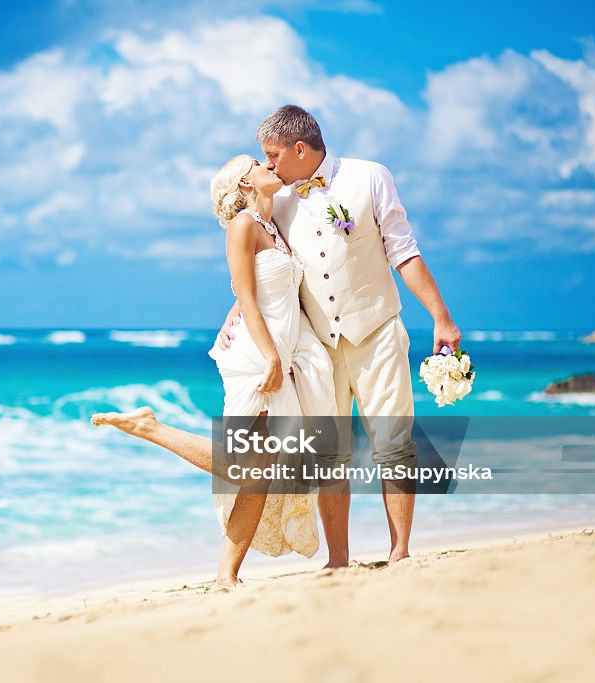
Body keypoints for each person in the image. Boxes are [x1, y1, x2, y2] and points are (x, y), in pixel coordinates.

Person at [93, 105, 461, 573]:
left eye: (271, 155)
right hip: (314, 349)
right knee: (321, 455)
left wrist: (441, 317)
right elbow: (257, 275)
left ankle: (400, 553)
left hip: (374, 331)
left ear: (299, 149)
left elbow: (403, 251)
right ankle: (337, 561)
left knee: (392, 442)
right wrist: (240, 316)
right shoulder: (273, 205)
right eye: (261, 160)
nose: (267, 165)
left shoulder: (369, 178)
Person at [93, 152, 337, 588]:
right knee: (250, 468)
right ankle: (151, 428)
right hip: (256, 355)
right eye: (258, 166)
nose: (269, 166)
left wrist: (277, 347)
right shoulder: (244, 225)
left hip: (276, 347)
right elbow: (245, 294)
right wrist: (271, 358)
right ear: (245, 185)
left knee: (262, 470)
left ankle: (227, 575)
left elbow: (260, 288)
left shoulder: (272, 226)